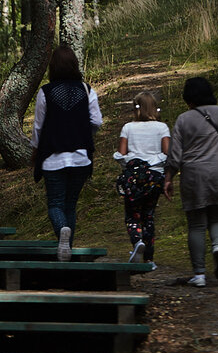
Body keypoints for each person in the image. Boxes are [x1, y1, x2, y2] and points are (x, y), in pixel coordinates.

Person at [30, 46, 103, 262]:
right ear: (74, 65)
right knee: (70, 204)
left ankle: (62, 231)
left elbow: (38, 127)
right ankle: (66, 251)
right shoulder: (87, 89)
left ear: (52, 67)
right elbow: (97, 121)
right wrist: (84, 134)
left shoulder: (45, 92)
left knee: (55, 204)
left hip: (53, 158)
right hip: (81, 157)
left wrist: (35, 150)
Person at [164, 77, 218, 287]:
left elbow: (175, 154)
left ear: (189, 98)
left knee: (196, 224)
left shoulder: (184, 119)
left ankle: (200, 274)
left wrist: (168, 178)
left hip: (195, 175)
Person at [113, 92, 170, 270]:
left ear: (135, 108)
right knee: (149, 216)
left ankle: (137, 241)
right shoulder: (162, 127)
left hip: (134, 178)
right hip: (154, 177)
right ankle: (149, 259)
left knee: (132, 215)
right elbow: (168, 153)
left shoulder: (128, 128)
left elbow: (121, 154)